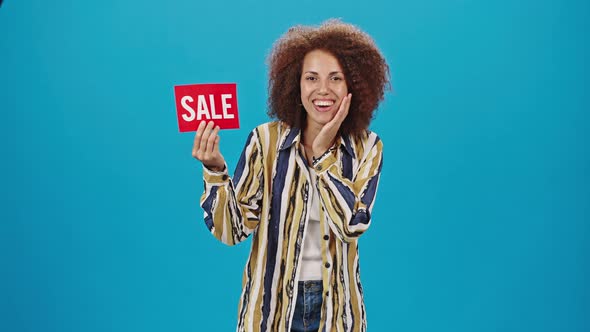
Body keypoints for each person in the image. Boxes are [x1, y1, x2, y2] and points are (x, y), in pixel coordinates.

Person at [192, 19, 390, 332]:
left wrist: (324, 156)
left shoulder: (368, 147)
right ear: (295, 84)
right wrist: (215, 170)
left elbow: (352, 226)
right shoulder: (264, 142)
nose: (323, 89)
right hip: (270, 311)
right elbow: (232, 230)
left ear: (353, 85)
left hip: (337, 313)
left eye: (335, 78)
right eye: (311, 78)